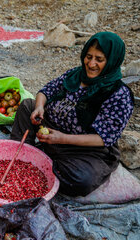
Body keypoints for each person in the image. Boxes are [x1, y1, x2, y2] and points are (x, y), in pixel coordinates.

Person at [11, 32, 134, 197]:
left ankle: (43, 163)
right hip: (54, 129)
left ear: (112, 61)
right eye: (88, 57)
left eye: (99, 59)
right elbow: (46, 91)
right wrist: (40, 107)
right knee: (28, 105)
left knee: (82, 180)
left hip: (85, 150)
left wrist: (61, 138)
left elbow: (104, 138)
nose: (91, 64)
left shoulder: (118, 94)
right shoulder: (75, 75)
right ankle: (18, 155)